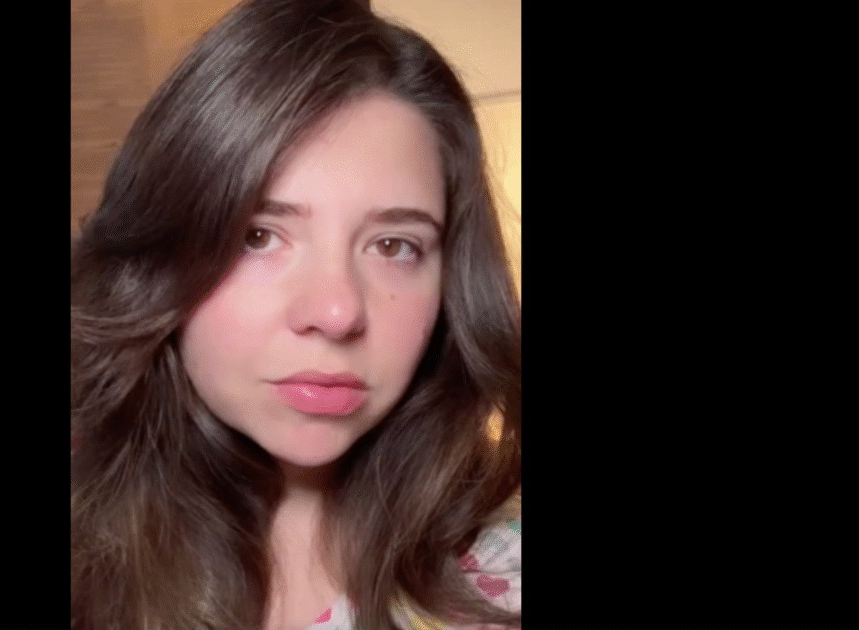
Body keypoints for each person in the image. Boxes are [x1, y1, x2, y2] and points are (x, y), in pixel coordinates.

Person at [70, 0, 521, 628]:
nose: (337, 313)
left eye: (395, 246)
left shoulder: (503, 577)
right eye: (258, 236)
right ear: (160, 253)